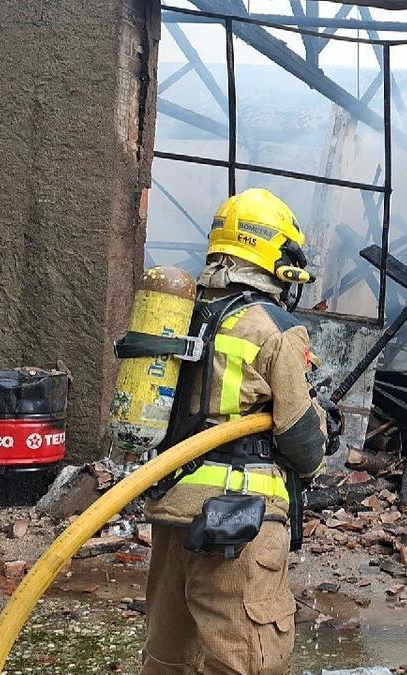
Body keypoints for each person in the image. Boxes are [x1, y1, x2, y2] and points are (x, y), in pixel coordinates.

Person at [140, 188, 328, 675]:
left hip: (172, 507)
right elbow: (302, 439)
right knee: (246, 658)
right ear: (277, 259)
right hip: (237, 521)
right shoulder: (273, 327)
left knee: (170, 658)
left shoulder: (178, 313)